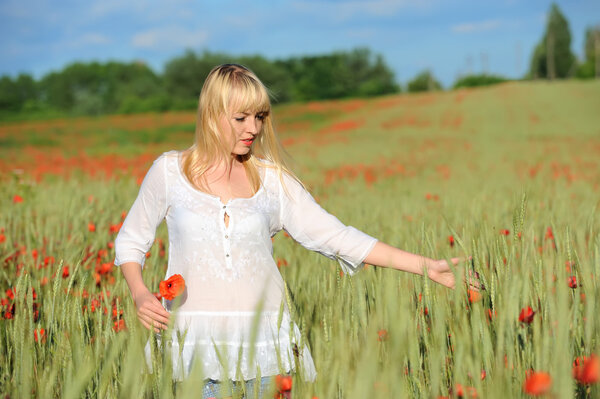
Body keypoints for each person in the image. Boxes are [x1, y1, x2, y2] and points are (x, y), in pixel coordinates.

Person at [114, 64, 464, 399]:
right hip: (196, 345)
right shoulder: (170, 172)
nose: (253, 128)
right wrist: (141, 293)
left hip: (266, 346)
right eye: (241, 118)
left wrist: (426, 266)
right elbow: (131, 241)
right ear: (211, 115)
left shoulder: (273, 182)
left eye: (260, 117)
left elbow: (337, 236)